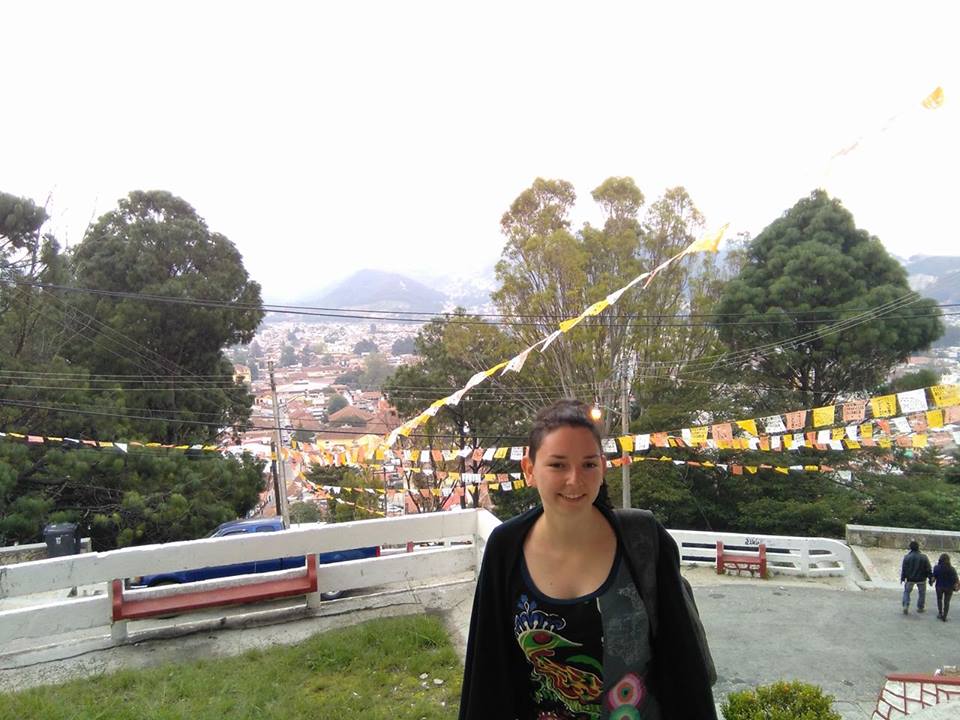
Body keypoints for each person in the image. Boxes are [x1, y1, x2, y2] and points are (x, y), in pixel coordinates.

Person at [458, 399, 717, 720]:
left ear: (603, 467)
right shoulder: (506, 547)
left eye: (589, 464)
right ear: (529, 469)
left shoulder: (644, 540)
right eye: (558, 465)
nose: (574, 480)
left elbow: (683, 665)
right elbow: (488, 671)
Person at [901, 540, 933, 614]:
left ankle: (906, 605)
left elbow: (904, 569)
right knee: (922, 593)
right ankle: (920, 607)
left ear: (910, 548)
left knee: (907, 592)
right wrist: (930, 578)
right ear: (918, 547)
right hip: (921, 579)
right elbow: (928, 569)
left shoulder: (907, 557)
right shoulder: (924, 557)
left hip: (910, 579)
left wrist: (903, 578)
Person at [931, 554, 959, 622]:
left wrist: (931, 582)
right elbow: (956, 580)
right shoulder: (952, 569)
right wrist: (957, 587)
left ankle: (940, 613)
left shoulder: (936, 567)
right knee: (947, 602)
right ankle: (945, 616)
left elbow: (933, 578)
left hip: (939, 587)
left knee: (939, 599)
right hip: (949, 588)